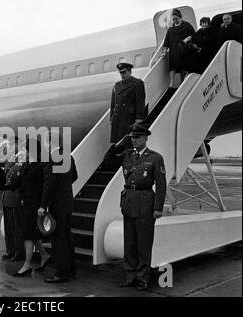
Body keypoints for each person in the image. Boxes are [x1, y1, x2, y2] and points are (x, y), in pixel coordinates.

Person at [104, 123, 167, 291]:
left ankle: (142, 278)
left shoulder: (155, 158)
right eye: (132, 138)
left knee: (143, 244)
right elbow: (107, 161)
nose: (134, 140)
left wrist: (158, 208)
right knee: (129, 243)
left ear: (146, 138)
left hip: (145, 202)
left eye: (137, 137)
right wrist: (118, 144)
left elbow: (161, 185)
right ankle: (130, 276)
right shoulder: (127, 155)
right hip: (129, 202)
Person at [0, 139, 51, 277]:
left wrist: (42, 206)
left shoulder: (41, 165)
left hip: (34, 205)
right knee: (32, 234)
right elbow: (19, 183)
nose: (25, 151)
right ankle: (44, 255)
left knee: (28, 235)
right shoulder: (28, 165)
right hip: (27, 203)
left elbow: (46, 186)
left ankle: (27, 265)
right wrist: (2, 187)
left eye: (27, 149)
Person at [39, 131, 78, 283]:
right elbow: (75, 176)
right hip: (67, 203)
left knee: (58, 239)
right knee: (67, 237)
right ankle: (70, 269)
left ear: (50, 142)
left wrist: (43, 206)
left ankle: (62, 273)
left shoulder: (51, 159)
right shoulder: (69, 156)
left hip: (57, 204)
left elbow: (48, 185)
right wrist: (64, 189)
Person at [110, 62, 146, 144]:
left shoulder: (137, 83)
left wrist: (139, 118)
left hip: (129, 118)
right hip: (117, 119)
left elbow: (140, 101)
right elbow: (113, 103)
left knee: (128, 142)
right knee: (117, 144)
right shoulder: (117, 85)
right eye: (121, 73)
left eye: (124, 72)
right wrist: (111, 117)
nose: (122, 75)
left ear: (130, 71)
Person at [1, 140, 25, 262]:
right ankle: (10, 251)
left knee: (17, 228)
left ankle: (19, 252)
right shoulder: (10, 159)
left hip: (16, 197)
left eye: (12, 144)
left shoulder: (22, 159)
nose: (9, 147)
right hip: (7, 197)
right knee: (9, 227)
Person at [161, 9, 196, 89]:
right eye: (173, 19)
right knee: (172, 67)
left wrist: (187, 39)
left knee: (183, 66)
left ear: (180, 17)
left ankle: (182, 82)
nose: (175, 20)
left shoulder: (187, 25)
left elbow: (193, 35)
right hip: (173, 50)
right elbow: (166, 42)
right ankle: (171, 83)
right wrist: (164, 52)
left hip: (183, 49)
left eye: (176, 18)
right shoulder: (170, 29)